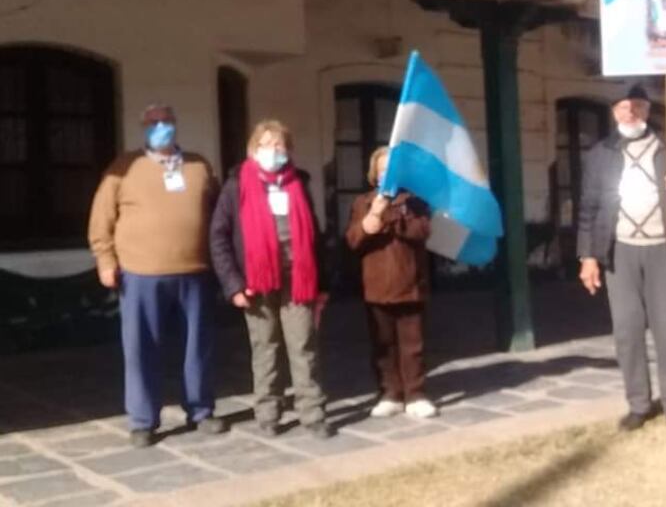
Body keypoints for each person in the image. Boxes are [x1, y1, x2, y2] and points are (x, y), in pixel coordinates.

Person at [88, 103, 226, 448]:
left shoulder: (199, 165)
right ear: (144, 128)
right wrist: (105, 260)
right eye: (153, 122)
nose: (160, 127)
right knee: (141, 349)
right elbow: (101, 219)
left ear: (175, 124)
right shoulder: (124, 167)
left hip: (195, 272)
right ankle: (143, 420)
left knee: (198, 347)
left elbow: (220, 214)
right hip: (140, 274)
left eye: (166, 121)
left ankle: (201, 409)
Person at [577, 85, 666, 441]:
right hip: (620, 251)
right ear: (614, 112)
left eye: (638, 107)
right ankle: (638, 404)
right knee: (627, 331)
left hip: (664, 249)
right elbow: (588, 208)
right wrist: (588, 257)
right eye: (624, 108)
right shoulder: (600, 154)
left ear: (648, 111)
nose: (630, 114)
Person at [209, 120, 333, 438]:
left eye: (279, 144)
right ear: (253, 149)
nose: (273, 150)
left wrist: (323, 284)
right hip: (256, 282)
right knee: (265, 347)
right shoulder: (236, 185)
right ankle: (268, 413)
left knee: (303, 345)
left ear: (289, 150)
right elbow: (219, 237)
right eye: (266, 144)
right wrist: (233, 285)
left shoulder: (299, 183)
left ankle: (312, 413)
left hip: (298, 279)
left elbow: (315, 235)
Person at [345, 146, 437, 419]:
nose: (387, 173)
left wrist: (395, 214)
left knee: (412, 345)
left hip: (410, 285)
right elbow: (353, 240)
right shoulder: (363, 202)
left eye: (392, 169)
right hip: (377, 287)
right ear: (374, 174)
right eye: (382, 169)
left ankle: (415, 394)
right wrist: (371, 218)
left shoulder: (416, 202)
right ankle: (390, 393)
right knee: (383, 345)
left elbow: (422, 231)